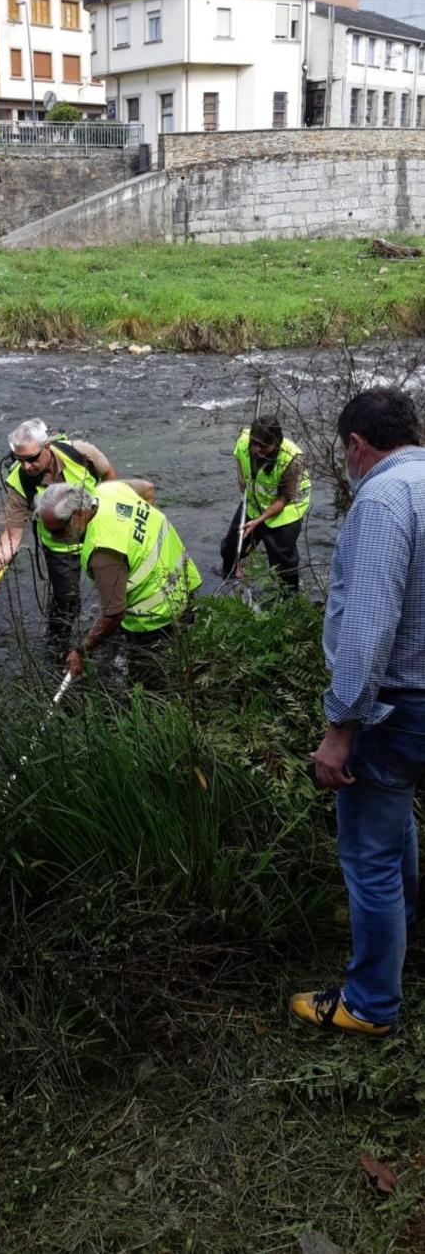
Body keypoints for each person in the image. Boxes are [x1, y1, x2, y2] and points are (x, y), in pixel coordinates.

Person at [292, 388, 425, 1037]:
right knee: (394, 823)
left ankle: (371, 1003)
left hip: (397, 708)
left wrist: (340, 728)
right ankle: (405, 933)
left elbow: (369, 627)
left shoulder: (381, 497)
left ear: (355, 445)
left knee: (369, 852)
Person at [34, 478, 201, 679]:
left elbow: (114, 614)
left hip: (155, 617)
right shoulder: (109, 490)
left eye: (57, 531)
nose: (54, 539)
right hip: (185, 581)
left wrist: (81, 651)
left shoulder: (102, 551)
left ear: (78, 516)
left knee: (147, 684)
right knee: (186, 659)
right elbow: (148, 488)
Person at [0, 418, 117, 640]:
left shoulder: (80, 453)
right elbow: (12, 536)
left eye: (32, 459)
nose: (26, 466)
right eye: (20, 460)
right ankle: (57, 646)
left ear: (47, 447)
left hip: (99, 535)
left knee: (114, 589)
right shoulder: (19, 484)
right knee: (67, 604)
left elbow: (110, 479)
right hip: (60, 549)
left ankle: (114, 636)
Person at [220, 415, 310, 591]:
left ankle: (290, 597)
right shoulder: (246, 441)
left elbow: (284, 499)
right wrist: (240, 476)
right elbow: (239, 452)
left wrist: (257, 522)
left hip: (285, 510)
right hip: (255, 502)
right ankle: (229, 580)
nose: (257, 449)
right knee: (231, 545)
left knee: (282, 560)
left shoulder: (292, 458)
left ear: (275, 444)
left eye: (263, 446)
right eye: (254, 444)